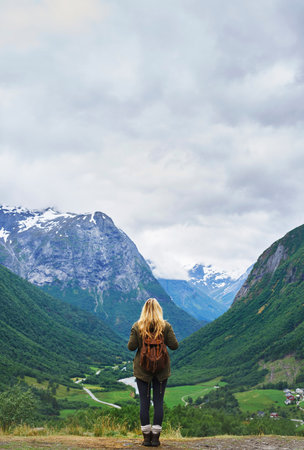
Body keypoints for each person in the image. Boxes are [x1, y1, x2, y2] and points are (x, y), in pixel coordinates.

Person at [127, 297, 178, 447]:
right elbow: (174, 345)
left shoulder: (137, 326)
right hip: (161, 371)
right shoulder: (166, 326)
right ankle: (156, 439)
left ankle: (146, 439)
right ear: (159, 310)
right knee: (158, 403)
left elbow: (131, 347)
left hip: (142, 371)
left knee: (144, 403)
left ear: (144, 311)